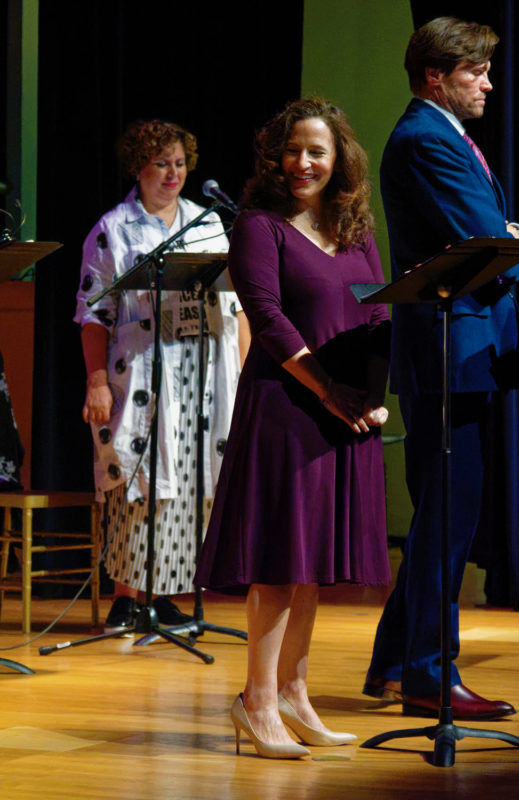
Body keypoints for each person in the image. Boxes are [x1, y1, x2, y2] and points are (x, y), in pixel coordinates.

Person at [195, 97, 391, 758]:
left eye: (318, 151)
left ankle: (293, 692)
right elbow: (270, 320)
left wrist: (371, 396)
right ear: (276, 155)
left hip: (343, 409)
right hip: (288, 406)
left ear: (339, 160)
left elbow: (380, 315)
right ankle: (255, 699)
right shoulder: (258, 224)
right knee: (279, 560)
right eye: (294, 149)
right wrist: (331, 390)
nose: (304, 162)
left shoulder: (356, 226)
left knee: (310, 564)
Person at [363, 17, 519, 720]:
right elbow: (481, 241)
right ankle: (430, 672)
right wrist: (515, 243)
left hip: (462, 349)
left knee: (443, 512)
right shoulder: (424, 138)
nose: (488, 84)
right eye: (475, 73)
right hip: (447, 347)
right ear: (437, 77)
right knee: (447, 518)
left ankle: (398, 665)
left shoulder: (443, 135)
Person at [75, 119, 248, 633]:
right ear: (138, 168)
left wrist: (242, 374)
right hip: (143, 372)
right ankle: (127, 597)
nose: (172, 173)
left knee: (192, 481)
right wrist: (96, 379)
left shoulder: (207, 221)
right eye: (160, 164)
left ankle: (170, 594)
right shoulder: (115, 228)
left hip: (203, 373)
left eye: (179, 163)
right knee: (139, 477)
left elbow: (236, 306)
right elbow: (93, 312)